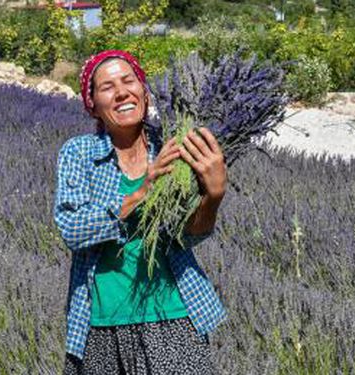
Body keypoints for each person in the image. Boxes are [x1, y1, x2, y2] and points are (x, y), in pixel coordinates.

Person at [54, 50, 227, 374]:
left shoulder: (175, 146)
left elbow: (188, 236)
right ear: (92, 103)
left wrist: (213, 196)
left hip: (174, 319)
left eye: (128, 81)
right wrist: (140, 192)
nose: (121, 92)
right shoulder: (79, 153)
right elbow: (72, 229)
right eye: (106, 87)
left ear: (144, 91)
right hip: (100, 326)